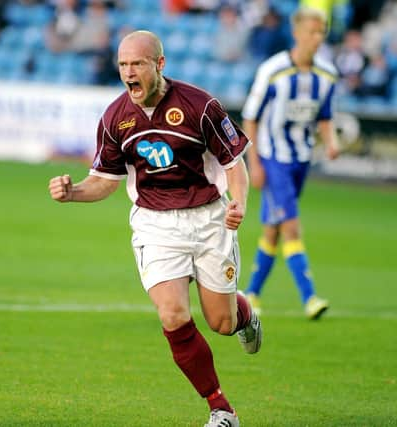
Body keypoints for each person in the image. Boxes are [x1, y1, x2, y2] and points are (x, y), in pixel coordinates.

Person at [49, 30, 262, 427]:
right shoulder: (115, 118)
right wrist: (72, 193)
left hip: (208, 218)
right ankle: (221, 409)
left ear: (159, 65)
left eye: (137, 64)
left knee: (222, 323)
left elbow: (235, 164)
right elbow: (104, 180)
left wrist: (239, 205)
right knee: (173, 314)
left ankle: (244, 313)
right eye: (123, 65)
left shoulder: (200, 106)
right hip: (155, 225)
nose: (128, 73)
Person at [241, 7, 340, 319]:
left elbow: (324, 115)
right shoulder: (273, 70)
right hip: (273, 160)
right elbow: (250, 117)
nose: (316, 38)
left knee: (272, 230)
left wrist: (332, 140)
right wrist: (253, 162)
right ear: (296, 33)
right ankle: (310, 298)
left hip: (301, 159)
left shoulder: (327, 74)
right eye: (311, 32)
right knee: (291, 227)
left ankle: (251, 294)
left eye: (321, 32)